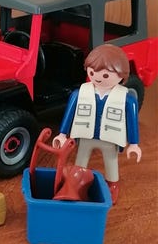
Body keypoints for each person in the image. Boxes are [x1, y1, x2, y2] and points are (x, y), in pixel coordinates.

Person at [53, 44, 141, 204]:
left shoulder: (127, 99)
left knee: (111, 163)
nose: (98, 78)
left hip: (111, 138)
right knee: (80, 161)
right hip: (85, 135)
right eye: (92, 72)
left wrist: (134, 144)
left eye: (106, 75)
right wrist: (62, 134)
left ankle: (112, 186)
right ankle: (76, 184)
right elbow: (69, 114)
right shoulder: (80, 93)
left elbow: (132, 121)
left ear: (122, 75)